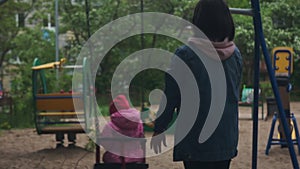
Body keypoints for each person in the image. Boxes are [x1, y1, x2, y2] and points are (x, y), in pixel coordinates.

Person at [150, 0, 243, 169]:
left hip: (195, 140)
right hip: (225, 140)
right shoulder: (235, 55)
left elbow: (171, 96)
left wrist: (160, 126)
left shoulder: (186, 55)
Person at [100, 94, 145, 164]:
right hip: (136, 157)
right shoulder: (139, 123)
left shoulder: (110, 125)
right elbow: (141, 137)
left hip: (115, 158)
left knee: (107, 156)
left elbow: (105, 142)